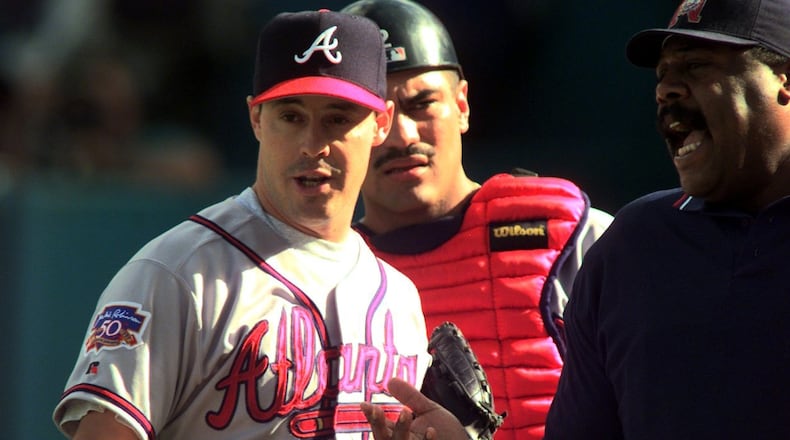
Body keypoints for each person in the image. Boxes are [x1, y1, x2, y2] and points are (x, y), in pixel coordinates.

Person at [51, 9, 433, 439]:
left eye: (337, 119)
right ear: (256, 118)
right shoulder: (177, 274)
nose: (313, 145)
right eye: (291, 117)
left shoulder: (399, 298)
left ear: (380, 123)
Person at [339, 1, 613, 438]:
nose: (402, 135)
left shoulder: (569, 237)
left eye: (422, 104)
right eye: (374, 115)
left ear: (462, 105)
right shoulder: (320, 280)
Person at [542, 0, 790, 438]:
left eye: (696, 66)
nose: (667, 90)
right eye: (663, 76)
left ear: (784, 82)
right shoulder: (631, 248)